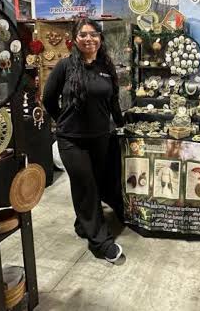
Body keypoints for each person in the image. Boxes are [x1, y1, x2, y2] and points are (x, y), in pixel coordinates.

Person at [42, 19, 125, 263]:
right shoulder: (65, 66)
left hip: (100, 139)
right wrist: (63, 122)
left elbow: (113, 101)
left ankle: (83, 224)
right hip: (72, 141)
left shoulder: (106, 67)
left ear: (100, 38)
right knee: (86, 186)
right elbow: (48, 99)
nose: (89, 38)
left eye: (94, 34)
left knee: (94, 185)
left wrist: (121, 124)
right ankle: (101, 242)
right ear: (75, 39)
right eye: (83, 34)